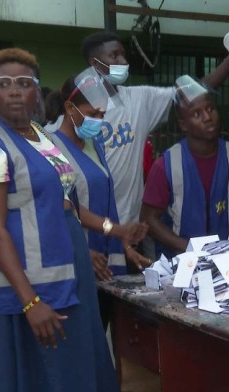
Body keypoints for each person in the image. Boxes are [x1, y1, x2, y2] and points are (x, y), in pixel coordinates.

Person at [0, 47, 146, 392]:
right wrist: (30, 301)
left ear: (36, 93)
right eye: (4, 84)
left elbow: (67, 204)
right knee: (35, 384)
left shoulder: (42, 139)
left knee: (68, 380)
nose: (14, 91)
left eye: (24, 83)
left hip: (66, 278)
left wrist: (115, 229)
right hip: (27, 288)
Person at [46, 32, 229, 233]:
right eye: (114, 56)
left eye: (123, 55)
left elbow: (197, 90)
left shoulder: (139, 100)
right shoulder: (72, 116)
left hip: (127, 227)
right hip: (86, 228)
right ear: (95, 63)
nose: (123, 61)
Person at [47, 67, 153, 329]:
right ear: (70, 109)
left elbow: (107, 202)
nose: (98, 120)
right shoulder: (50, 149)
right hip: (76, 262)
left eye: (102, 115)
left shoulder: (96, 146)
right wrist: (82, 250)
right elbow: (58, 209)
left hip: (107, 264)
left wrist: (123, 242)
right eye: (93, 114)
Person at [140, 75, 229, 257]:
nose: (207, 117)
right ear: (183, 125)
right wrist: (191, 249)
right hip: (179, 264)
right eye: (196, 114)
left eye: (210, 109)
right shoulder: (166, 165)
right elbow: (148, 219)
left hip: (225, 263)